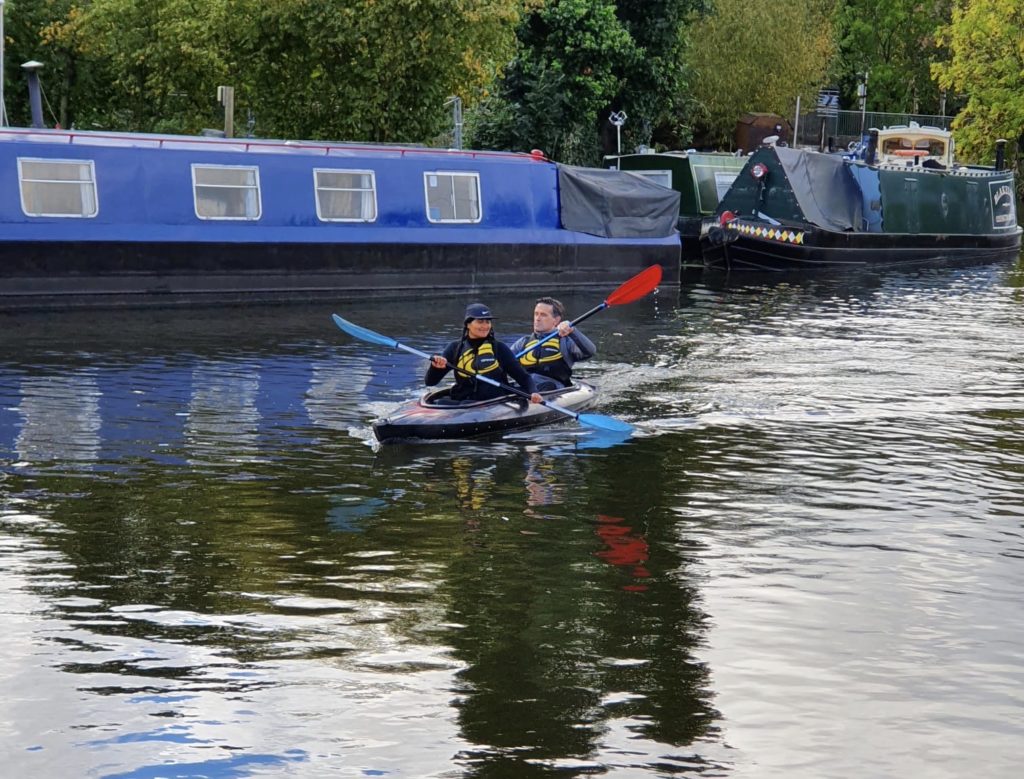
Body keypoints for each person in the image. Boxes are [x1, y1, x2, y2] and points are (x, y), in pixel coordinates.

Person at [425, 303, 543, 405]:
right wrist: (435, 368)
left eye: (488, 322)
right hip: (463, 400)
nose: (485, 326)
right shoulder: (454, 348)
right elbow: (430, 382)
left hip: (493, 401)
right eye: (480, 321)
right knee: (442, 402)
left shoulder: (499, 348)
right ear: (468, 324)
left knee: (466, 403)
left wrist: (534, 392)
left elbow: (523, 377)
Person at [511, 297, 596, 391]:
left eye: (543, 315)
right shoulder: (523, 342)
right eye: (536, 314)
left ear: (556, 320)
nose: (537, 318)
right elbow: (502, 363)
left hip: (552, 389)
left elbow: (590, 352)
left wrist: (573, 331)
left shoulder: (565, 341)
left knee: (546, 386)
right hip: (525, 387)